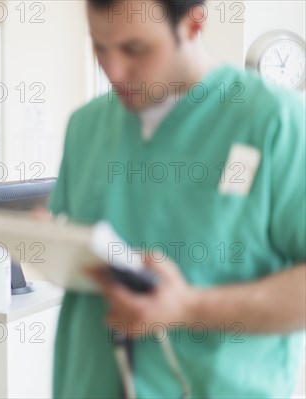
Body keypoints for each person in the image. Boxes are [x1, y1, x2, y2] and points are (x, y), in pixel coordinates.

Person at [49, 1, 306, 397]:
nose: (113, 71)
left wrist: (190, 308)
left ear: (193, 24)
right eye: (99, 47)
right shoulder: (86, 125)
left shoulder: (275, 121)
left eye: (135, 49)